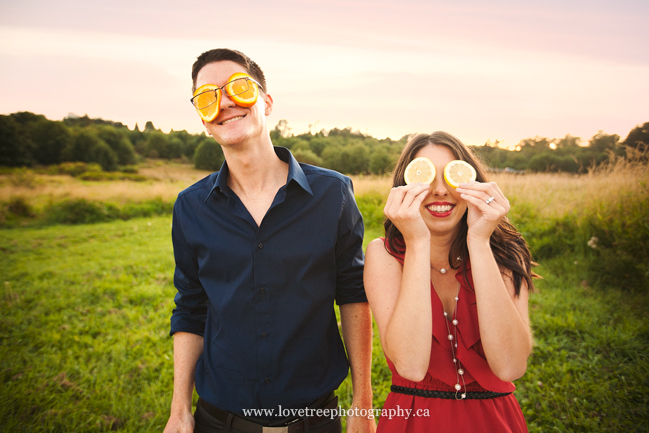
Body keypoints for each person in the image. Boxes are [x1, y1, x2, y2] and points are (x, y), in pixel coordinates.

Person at [164, 48, 376, 433]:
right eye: (208, 96)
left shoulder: (333, 194)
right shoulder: (190, 207)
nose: (225, 101)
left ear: (267, 101)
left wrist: (363, 403)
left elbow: (352, 295)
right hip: (219, 420)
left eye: (238, 87)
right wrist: (180, 409)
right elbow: (191, 307)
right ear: (203, 118)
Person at [364, 132, 536, 432]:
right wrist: (417, 241)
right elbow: (411, 365)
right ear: (404, 188)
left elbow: (510, 366)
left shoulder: (507, 255)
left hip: (495, 421)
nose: (441, 190)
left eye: (453, 176)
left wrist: (480, 241)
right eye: (425, 177)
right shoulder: (384, 255)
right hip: (414, 420)